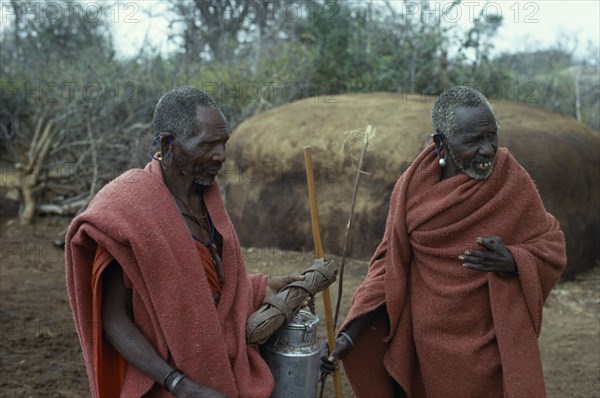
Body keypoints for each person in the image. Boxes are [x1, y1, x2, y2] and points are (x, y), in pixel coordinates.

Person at [322, 86, 567, 397]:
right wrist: (351, 336)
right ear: (441, 143)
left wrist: (514, 261)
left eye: (492, 136)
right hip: (421, 346)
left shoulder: (511, 180)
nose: (488, 149)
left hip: (487, 349)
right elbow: (389, 264)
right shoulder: (411, 187)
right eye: (473, 141)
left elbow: (551, 244)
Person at [65, 86, 302, 398]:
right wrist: (181, 385)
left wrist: (261, 286)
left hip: (228, 369)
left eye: (224, 143)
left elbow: (211, 291)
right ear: (168, 143)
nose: (221, 156)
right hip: (166, 383)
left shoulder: (207, 198)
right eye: (208, 145)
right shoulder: (126, 209)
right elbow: (113, 321)